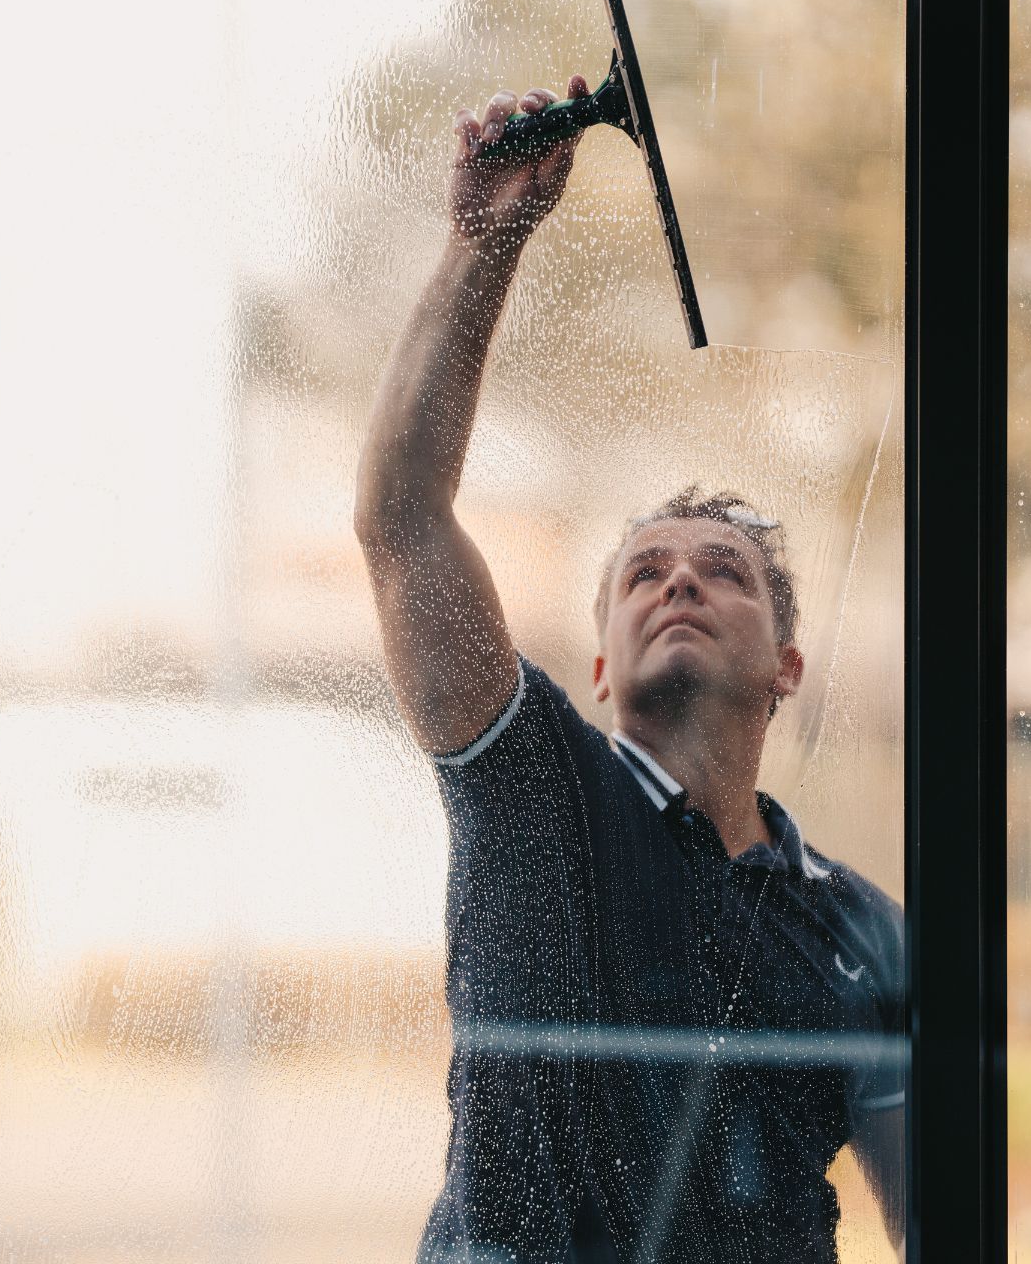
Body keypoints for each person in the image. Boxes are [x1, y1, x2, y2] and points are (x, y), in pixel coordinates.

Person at [353, 78, 907, 1263]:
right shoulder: (535, 792)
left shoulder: (862, 930)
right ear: (599, 666)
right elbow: (403, 518)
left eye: (725, 571)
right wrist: (483, 243)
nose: (681, 581)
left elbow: (940, 1215)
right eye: (646, 571)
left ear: (787, 666)